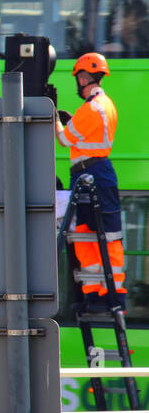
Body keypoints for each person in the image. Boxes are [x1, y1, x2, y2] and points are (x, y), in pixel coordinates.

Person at [55, 52, 128, 311]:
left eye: (78, 78)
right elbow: (84, 135)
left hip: (92, 174)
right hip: (92, 174)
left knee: (103, 236)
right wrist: (68, 121)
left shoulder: (91, 107)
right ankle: (95, 295)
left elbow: (64, 140)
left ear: (84, 77)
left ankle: (111, 296)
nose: (77, 83)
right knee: (87, 235)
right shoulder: (104, 105)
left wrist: (53, 118)